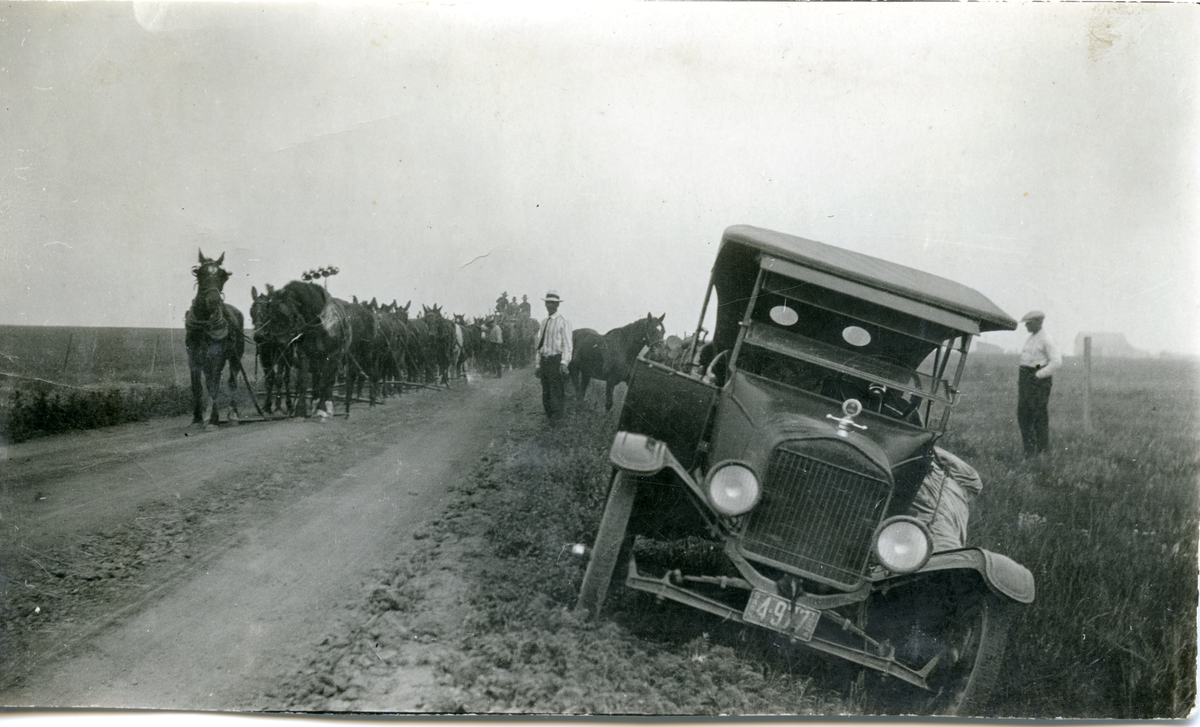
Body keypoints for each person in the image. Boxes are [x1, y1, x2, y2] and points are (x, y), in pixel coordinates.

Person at [909, 447, 983, 552]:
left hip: (940, 537)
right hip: (938, 537)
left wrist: (925, 446)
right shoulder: (967, 484)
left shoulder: (967, 484)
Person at [1017, 310, 1062, 457]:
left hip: (1038, 381)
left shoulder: (1046, 339)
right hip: (1026, 378)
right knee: (1023, 414)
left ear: (1038, 322)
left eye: (1029, 323)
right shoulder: (1031, 338)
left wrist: (1039, 374)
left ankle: (1042, 450)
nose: (1027, 326)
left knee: (1038, 415)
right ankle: (1029, 450)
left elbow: (1056, 361)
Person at [535, 290, 572, 420]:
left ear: (557, 305)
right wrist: (538, 364)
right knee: (546, 392)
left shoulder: (563, 322)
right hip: (545, 361)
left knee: (556, 391)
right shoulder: (544, 322)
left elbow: (568, 345)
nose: (549, 306)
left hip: (555, 361)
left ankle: (557, 421)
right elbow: (540, 345)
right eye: (547, 303)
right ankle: (549, 418)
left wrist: (564, 363)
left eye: (552, 303)